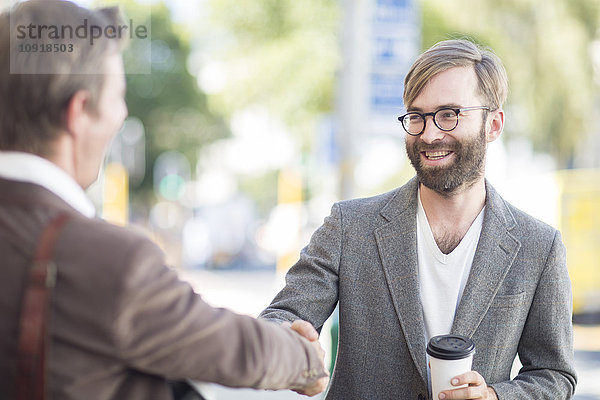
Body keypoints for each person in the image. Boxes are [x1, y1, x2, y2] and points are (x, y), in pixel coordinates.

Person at [0, 1, 328, 399]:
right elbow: (230, 346)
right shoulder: (103, 258)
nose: (121, 115)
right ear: (80, 110)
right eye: (118, 97)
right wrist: (304, 357)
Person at [260, 39, 577, 399]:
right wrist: (285, 348)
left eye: (449, 114)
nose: (429, 134)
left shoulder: (539, 246)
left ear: (493, 124)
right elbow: (283, 317)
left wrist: (494, 396)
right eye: (417, 116)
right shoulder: (350, 227)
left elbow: (554, 376)